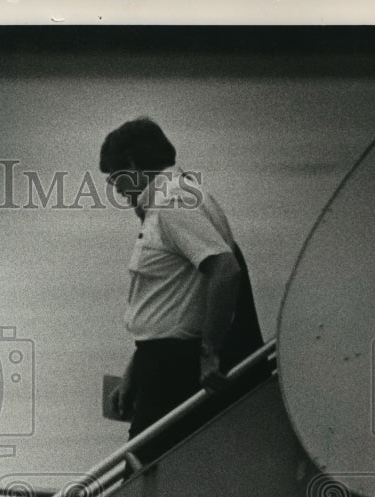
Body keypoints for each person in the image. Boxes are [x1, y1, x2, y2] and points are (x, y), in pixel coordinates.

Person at [100, 117, 264, 459]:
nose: (116, 191)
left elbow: (225, 270)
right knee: (149, 467)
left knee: (142, 471)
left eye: (115, 179)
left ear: (131, 165)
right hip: (158, 363)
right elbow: (176, 299)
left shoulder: (172, 204)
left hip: (174, 370)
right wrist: (135, 369)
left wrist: (210, 352)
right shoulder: (183, 196)